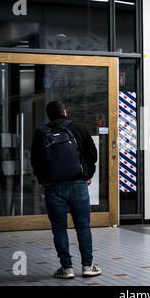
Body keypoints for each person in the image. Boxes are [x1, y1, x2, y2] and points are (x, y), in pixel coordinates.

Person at [31, 101, 101, 279]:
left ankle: (67, 268)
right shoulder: (79, 128)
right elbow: (92, 154)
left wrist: (43, 180)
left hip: (53, 187)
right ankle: (87, 266)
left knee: (59, 229)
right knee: (83, 227)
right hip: (78, 185)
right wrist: (87, 175)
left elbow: (35, 161)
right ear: (64, 111)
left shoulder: (41, 133)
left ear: (48, 115)